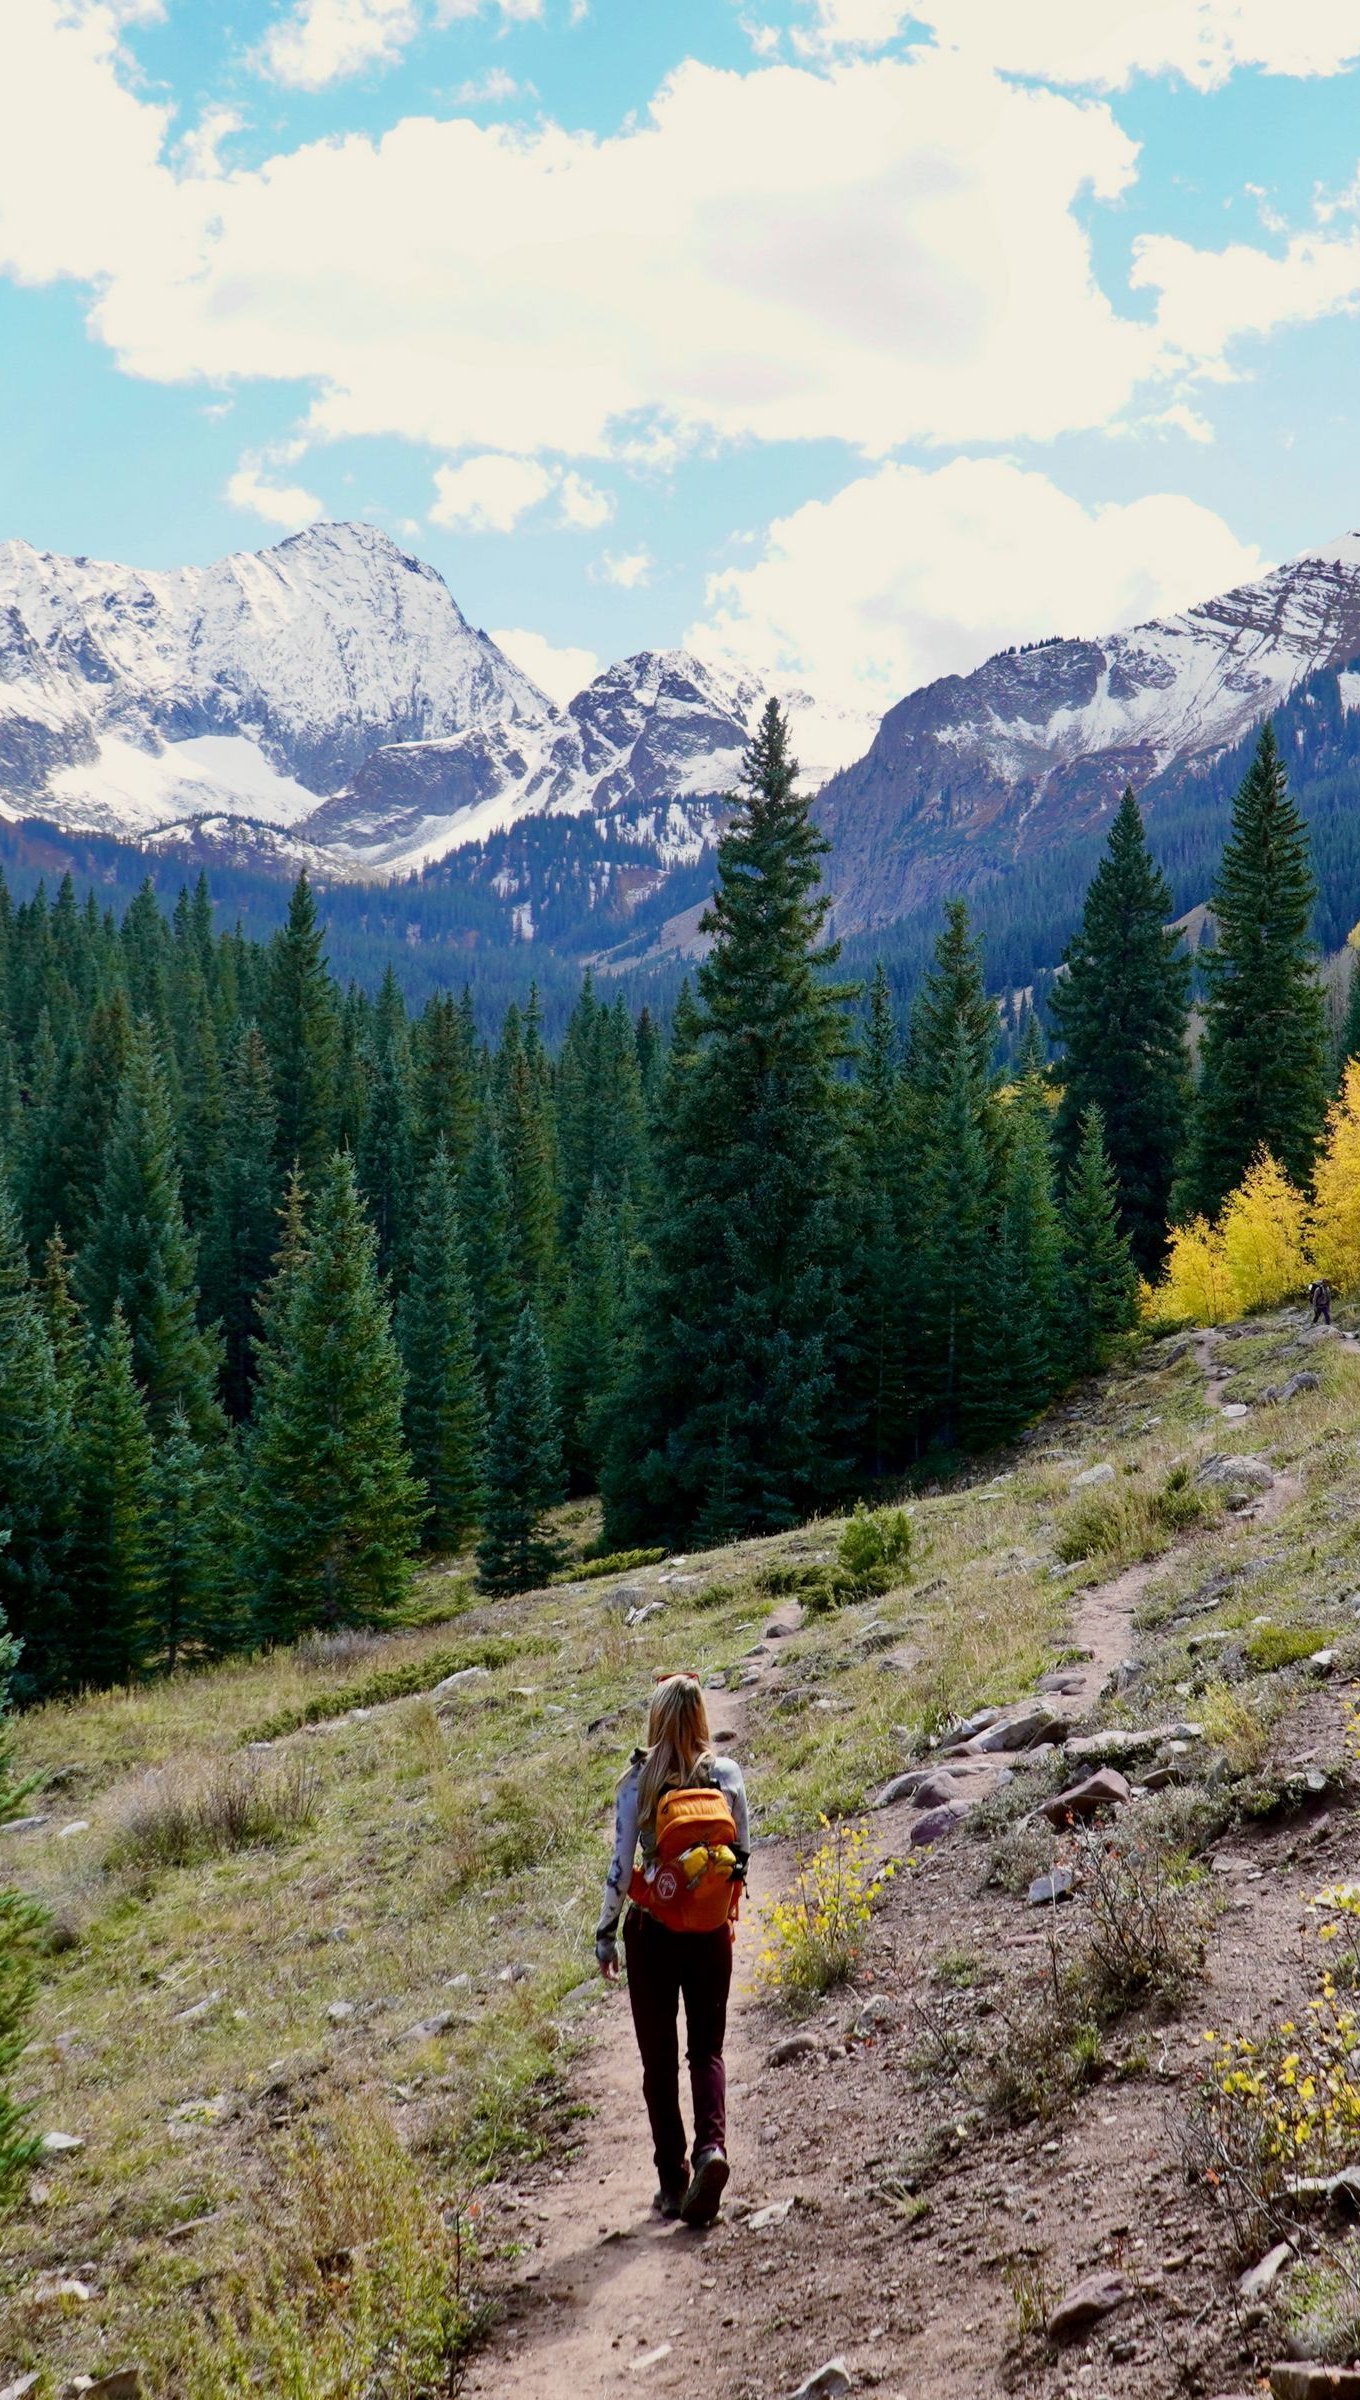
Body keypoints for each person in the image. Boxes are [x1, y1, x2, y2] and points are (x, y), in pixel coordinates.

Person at [596, 1673, 749, 2226]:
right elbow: (743, 1854)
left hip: (653, 1934)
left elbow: (619, 1870)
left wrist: (605, 1934)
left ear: (656, 1719)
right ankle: (712, 2151)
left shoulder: (636, 1781)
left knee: (658, 2062)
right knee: (706, 2051)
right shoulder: (727, 1774)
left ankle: (671, 2181)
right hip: (709, 1935)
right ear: (702, 1716)